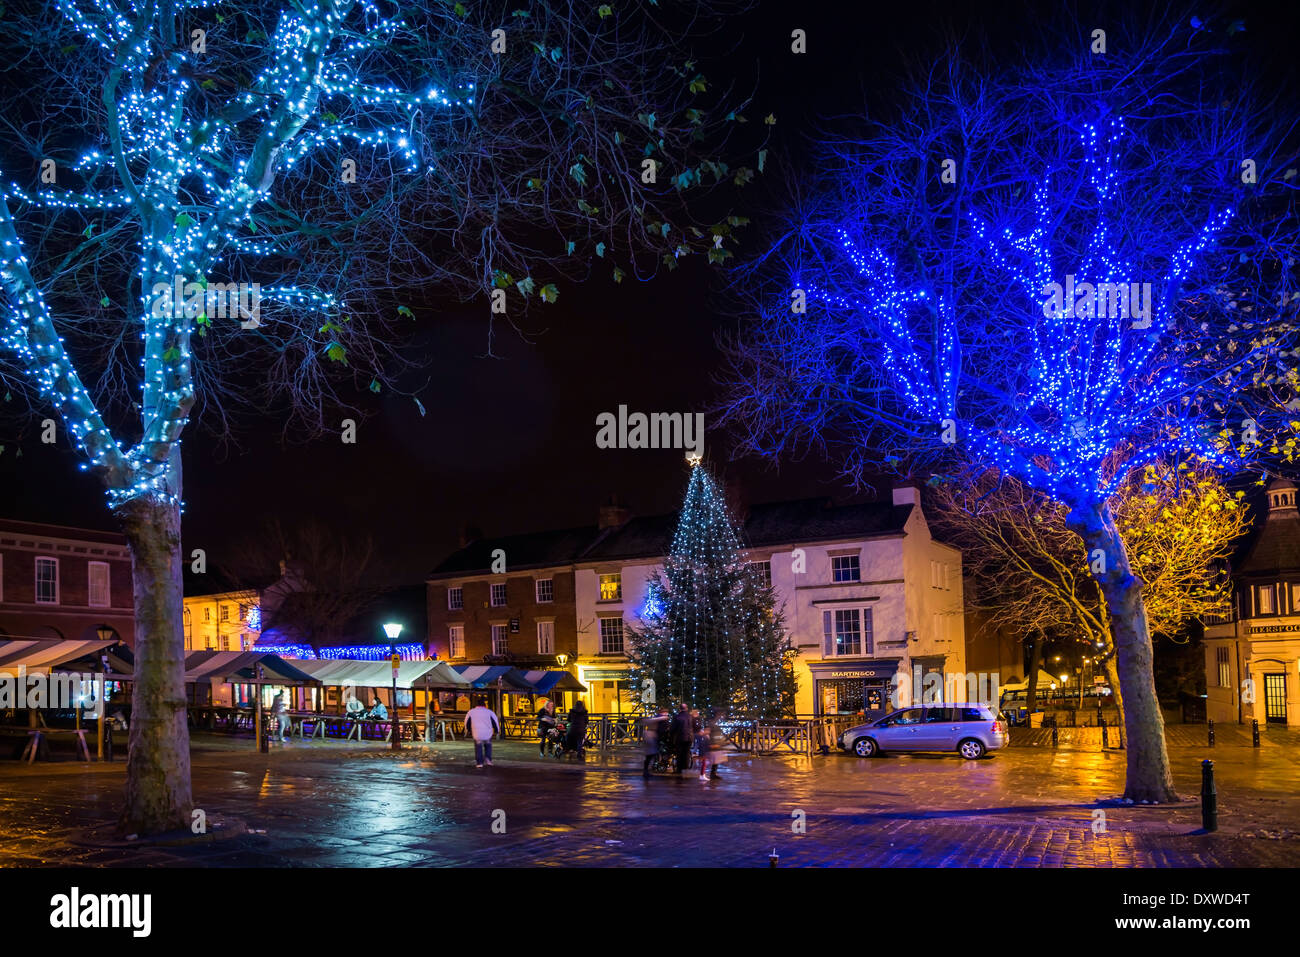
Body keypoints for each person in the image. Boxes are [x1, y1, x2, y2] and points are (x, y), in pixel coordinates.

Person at [464, 697, 501, 768]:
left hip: (477, 733)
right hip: (487, 733)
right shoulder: (490, 712)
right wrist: (497, 731)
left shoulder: (471, 712)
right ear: (485, 705)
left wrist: (468, 730)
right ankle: (488, 759)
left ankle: (479, 763)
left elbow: (467, 722)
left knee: (478, 747)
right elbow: (495, 722)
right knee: (488, 745)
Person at [642, 709, 669, 776]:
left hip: (651, 737)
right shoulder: (658, 718)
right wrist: (662, 717)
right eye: (665, 712)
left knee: (651, 755)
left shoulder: (657, 718)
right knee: (650, 755)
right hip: (651, 737)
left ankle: (648, 769)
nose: (666, 714)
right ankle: (646, 771)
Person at [669, 703, 693, 775]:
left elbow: (673, 729)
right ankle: (685, 769)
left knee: (679, 754)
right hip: (689, 738)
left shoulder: (677, 717)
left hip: (680, 738)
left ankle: (679, 770)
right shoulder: (690, 716)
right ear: (686, 708)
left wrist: (671, 736)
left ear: (680, 709)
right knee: (686, 754)